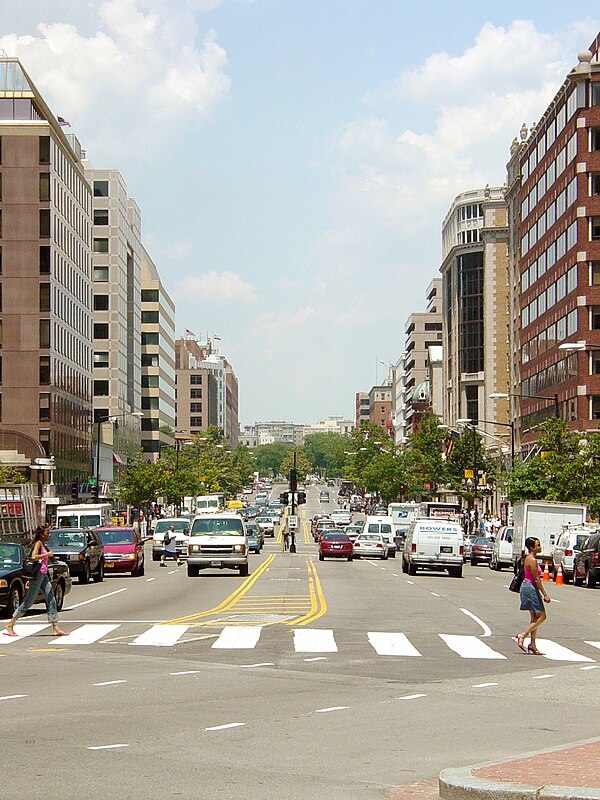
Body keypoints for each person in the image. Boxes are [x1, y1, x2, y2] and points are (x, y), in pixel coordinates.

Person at [3, 526, 67, 637]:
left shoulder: (42, 544)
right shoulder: (38, 543)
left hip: (43, 575)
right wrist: (47, 554)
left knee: (51, 598)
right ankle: (10, 625)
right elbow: (33, 557)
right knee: (29, 602)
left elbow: (42, 563)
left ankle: (55, 628)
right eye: (48, 533)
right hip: (37, 577)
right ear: (42, 534)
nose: (50, 535)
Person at [514, 537, 551, 655]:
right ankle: (523, 635)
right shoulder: (532, 560)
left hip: (528, 586)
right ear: (532, 548)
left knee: (534, 618)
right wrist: (545, 594)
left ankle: (533, 645)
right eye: (538, 545)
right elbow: (536, 579)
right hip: (530, 587)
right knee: (542, 616)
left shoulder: (528, 558)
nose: (540, 547)